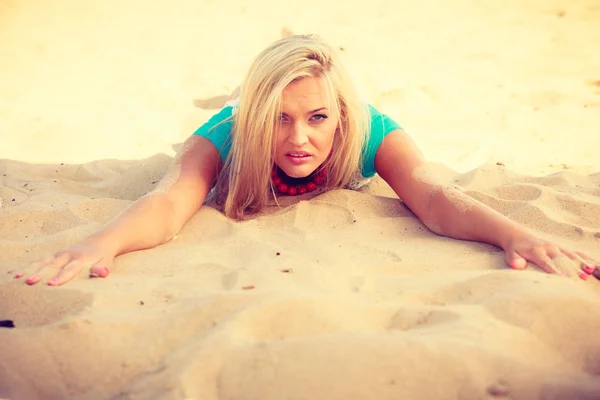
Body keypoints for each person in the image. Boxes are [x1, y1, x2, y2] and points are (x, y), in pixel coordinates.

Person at [12, 34, 598, 286]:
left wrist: (514, 235)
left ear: (340, 116)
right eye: (280, 120)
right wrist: (100, 243)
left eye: (317, 117)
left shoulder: (370, 130)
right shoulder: (229, 133)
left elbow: (434, 197)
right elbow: (168, 202)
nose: (299, 139)